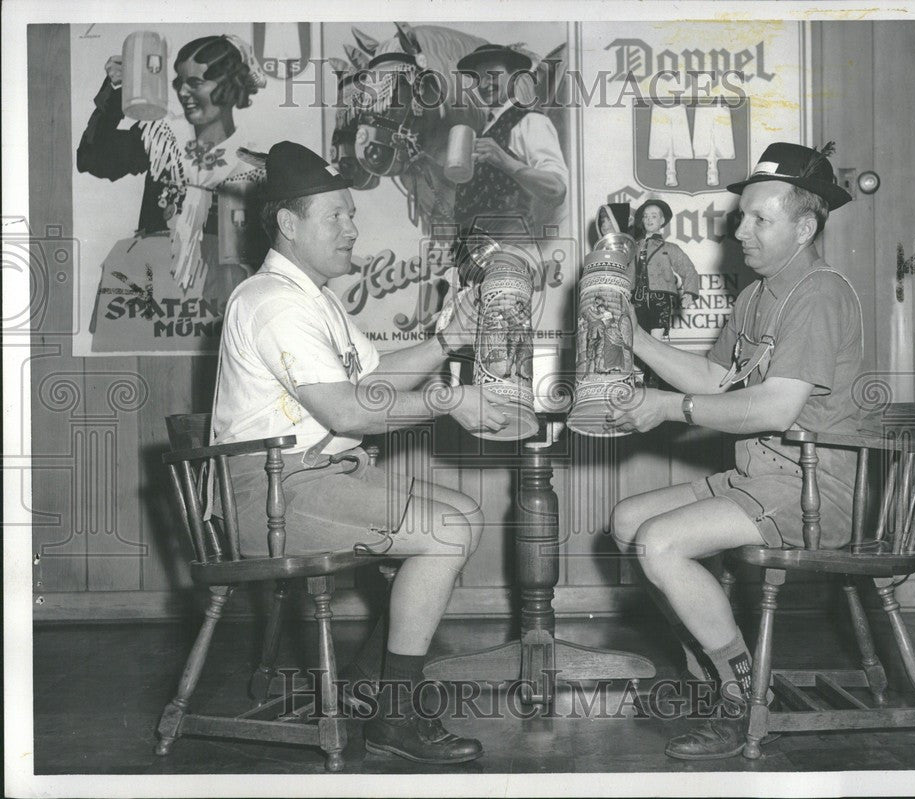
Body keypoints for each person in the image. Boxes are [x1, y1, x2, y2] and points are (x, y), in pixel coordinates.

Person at [212, 141, 510, 765]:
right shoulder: (271, 302)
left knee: (462, 516)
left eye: (352, 214)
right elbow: (348, 411)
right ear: (289, 225)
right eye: (337, 217)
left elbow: (372, 382)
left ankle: (375, 690)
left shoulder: (313, 298)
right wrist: (450, 400)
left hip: (308, 481)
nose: (352, 228)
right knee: (449, 529)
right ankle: (395, 718)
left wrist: (445, 340)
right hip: (270, 495)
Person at [608, 142, 860, 760]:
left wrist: (666, 407)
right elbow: (716, 382)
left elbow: (774, 408)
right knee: (627, 523)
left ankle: (744, 696)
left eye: (758, 219)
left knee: (661, 542)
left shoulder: (819, 293)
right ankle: (713, 675)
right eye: (741, 216)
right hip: (759, 481)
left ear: (805, 226)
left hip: (811, 492)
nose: (739, 229)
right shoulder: (756, 294)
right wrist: (633, 338)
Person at [78, 34, 268, 306]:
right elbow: (91, 159)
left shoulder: (255, 161)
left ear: (229, 87)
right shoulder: (162, 138)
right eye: (180, 82)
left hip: (223, 309)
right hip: (157, 303)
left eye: (195, 83)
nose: (182, 92)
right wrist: (115, 88)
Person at [452, 43, 569, 239]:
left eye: (492, 75)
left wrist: (504, 161)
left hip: (510, 246)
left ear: (514, 76)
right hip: (472, 249)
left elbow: (556, 189)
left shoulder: (531, 121)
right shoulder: (484, 130)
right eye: (478, 78)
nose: (483, 84)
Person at [631, 198, 700, 341]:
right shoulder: (634, 247)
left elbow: (688, 269)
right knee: (638, 341)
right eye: (646, 216)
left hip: (660, 300)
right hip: (637, 299)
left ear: (662, 221)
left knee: (655, 343)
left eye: (654, 216)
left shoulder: (669, 248)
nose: (649, 219)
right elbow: (628, 273)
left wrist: (689, 292)